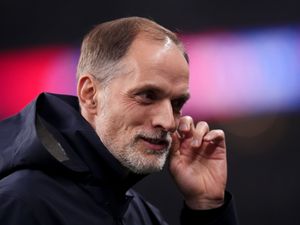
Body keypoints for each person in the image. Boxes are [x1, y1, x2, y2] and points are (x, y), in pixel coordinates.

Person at [0, 17, 238, 225]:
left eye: (176, 104)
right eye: (147, 96)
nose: (168, 122)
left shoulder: (140, 214)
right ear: (90, 93)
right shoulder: (21, 203)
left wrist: (207, 208)